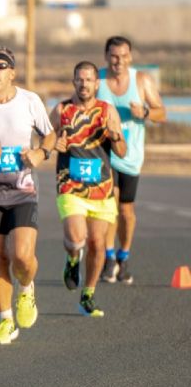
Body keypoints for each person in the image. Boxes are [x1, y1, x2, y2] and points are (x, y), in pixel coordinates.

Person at [0, 46, 56, 344]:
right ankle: (6, 321)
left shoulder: (29, 100)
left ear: (12, 72)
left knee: (22, 257)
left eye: (1, 66)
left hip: (22, 191)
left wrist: (41, 151)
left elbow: (50, 134)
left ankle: (26, 287)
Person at [49, 61, 126, 317]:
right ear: (74, 81)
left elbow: (122, 151)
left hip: (102, 188)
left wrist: (115, 137)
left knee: (97, 244)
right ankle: (72, 259)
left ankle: (88, 295)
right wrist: (54, 145)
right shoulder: (61, 110)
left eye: (89, 79)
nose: (84, 84)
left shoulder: (107, 111)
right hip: (70, 185)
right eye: (79, 79)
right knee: (77, 237)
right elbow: (46, 142)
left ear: (96, 83)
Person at [96, 36, 167, 284]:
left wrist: (145, 112)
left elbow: (162, 113)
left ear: (130, 57)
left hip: (131, 156)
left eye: (124, 55)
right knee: (109, 207)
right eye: (114, 56)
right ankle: (109, 258)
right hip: (104, 155)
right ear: (107, 57)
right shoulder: (98, 80)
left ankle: (123, 256)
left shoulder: (141, 81)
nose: (119, 61)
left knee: (126, 211)